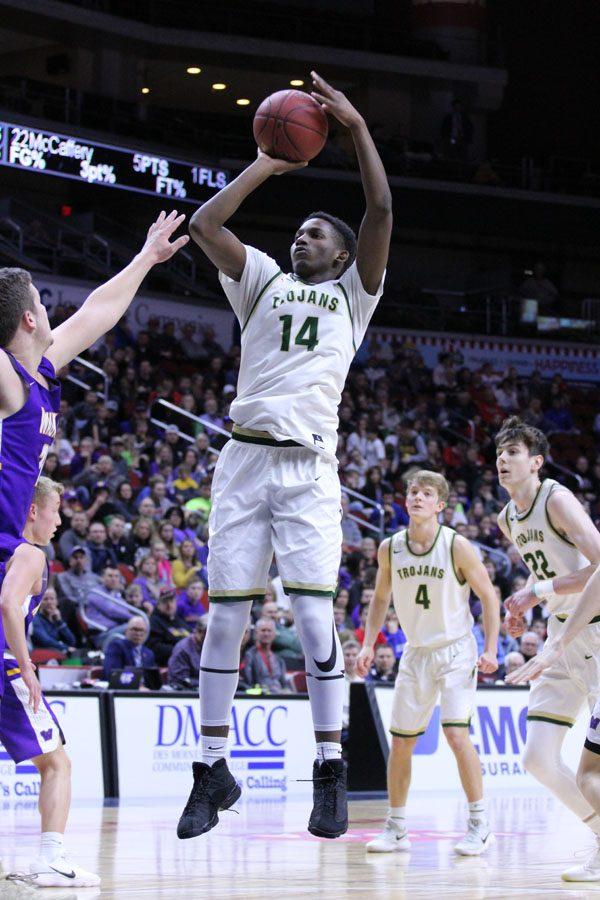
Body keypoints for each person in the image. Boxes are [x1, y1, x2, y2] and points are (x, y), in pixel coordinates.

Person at [177, 70, 392, 842]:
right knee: (223, 625)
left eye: (317, 234)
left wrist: (358, 129)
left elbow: (380, 209)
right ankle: (212, 770)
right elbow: (204, 225)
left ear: (341, 259)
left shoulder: (352, 295)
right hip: (242, 462)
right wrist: (269, 161)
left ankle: (329, 770)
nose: (303, 235)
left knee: (306, 616)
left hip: (306, 470)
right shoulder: (262, 280)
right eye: (298, 228)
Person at [0, 211, 187, 698]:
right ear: (27, 318)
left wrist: (146, 258)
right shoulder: (8, 382)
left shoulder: (38, 369)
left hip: (12, 547)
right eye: (41, 302)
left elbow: (97, 313)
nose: (47, 308)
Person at [357, 470, 499, 856]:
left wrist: (491, 648)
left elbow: (488, 596)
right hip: (416, 651)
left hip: (456, 649)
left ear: (440, 505)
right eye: (413, 492)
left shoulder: (457, 545)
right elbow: (380, 599)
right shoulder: (390, 548)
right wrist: (368, 643)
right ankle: (397, 827)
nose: (417, 497)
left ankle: (479, 823)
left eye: (426, 493)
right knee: (401, 742)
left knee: (456, 735)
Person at [494, 416, 600, 878]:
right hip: (559, 635)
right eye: (499, 452)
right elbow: (549, 574)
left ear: (535, 462)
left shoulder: (555, 498)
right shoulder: (505, 518)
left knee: (591, 771)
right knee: (537, 757)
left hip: (593, 631)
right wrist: (523, 602)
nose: (502, 459)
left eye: (513, 452)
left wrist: (537, 592)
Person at [0, 477, 100, 887]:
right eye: (56, 510)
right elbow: (7, 604)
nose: (60, 520)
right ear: (32, 510)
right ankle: (51, 858)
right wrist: (26, 666)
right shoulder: (30, 553)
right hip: (6, 667)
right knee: (56, 763)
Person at [240, 618, 288, 694]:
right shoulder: (249, 656)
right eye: (263, 630)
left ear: (274, 633)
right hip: (258, 698)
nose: (266, 634)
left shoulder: (279, 659)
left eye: (269, 630)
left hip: (279, 698)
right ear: (256, 633)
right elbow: (247, 683)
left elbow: (284, 684)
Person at [102, 616, 155, 680]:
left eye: (141, 630)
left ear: (146, 633)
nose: (138, 633)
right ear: (126, 631)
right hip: (123, 688)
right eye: (135, 629)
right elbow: (113, 674)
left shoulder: (149, 653)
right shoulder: (116, 647)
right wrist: (138, 687)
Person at [147, 587, 190, 666]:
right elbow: (155, 648)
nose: (169, 605)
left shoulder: (179, 619)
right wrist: (181, 650)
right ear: (158, 604)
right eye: (165, 602)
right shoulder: (154, 622)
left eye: (172, 601)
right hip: (169, 663)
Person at [30, 587, 77, 654]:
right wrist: (66, 648)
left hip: (59, 654)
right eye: (45, 599)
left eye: (52, 599)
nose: (49, 602)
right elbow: (45, 641)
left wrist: (59, 621)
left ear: (57, 602)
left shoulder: (56, 618)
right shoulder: (35, 618)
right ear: (39, 602)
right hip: (43, 656)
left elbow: (71, 641)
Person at [168, 616, 208, 689]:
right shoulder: (183, 649)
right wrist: (209, 685)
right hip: (185, 693)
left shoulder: (213, 648)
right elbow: (180, 680)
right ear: (199, 632)